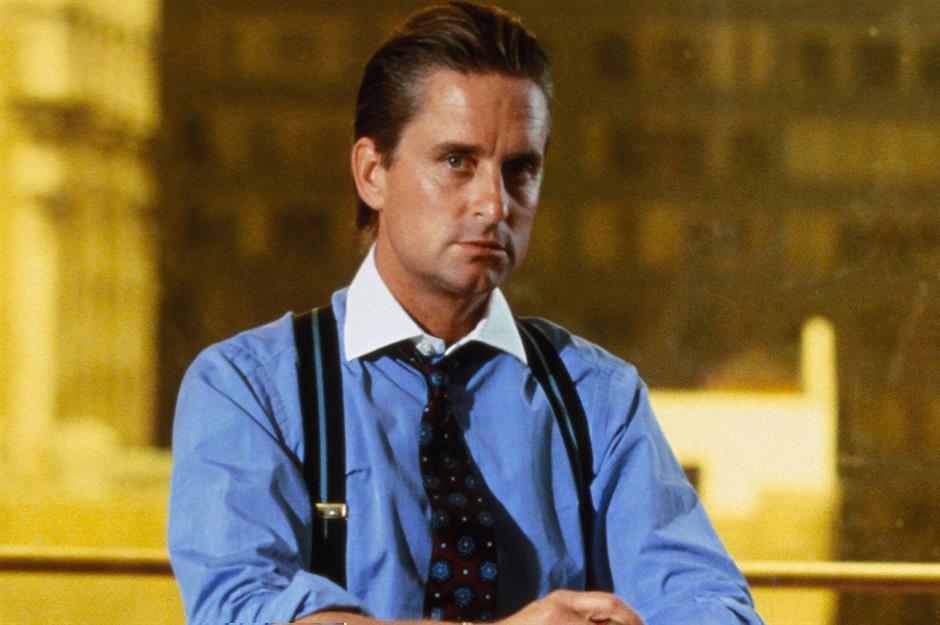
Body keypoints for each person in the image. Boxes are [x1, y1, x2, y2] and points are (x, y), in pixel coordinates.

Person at [168, 3, 765, 625]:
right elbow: (241, 609)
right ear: (372, 174)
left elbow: (713, 605)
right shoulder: (250, 386)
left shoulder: (597, 396)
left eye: (520, 169)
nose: (494, 204)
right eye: (457, 161)